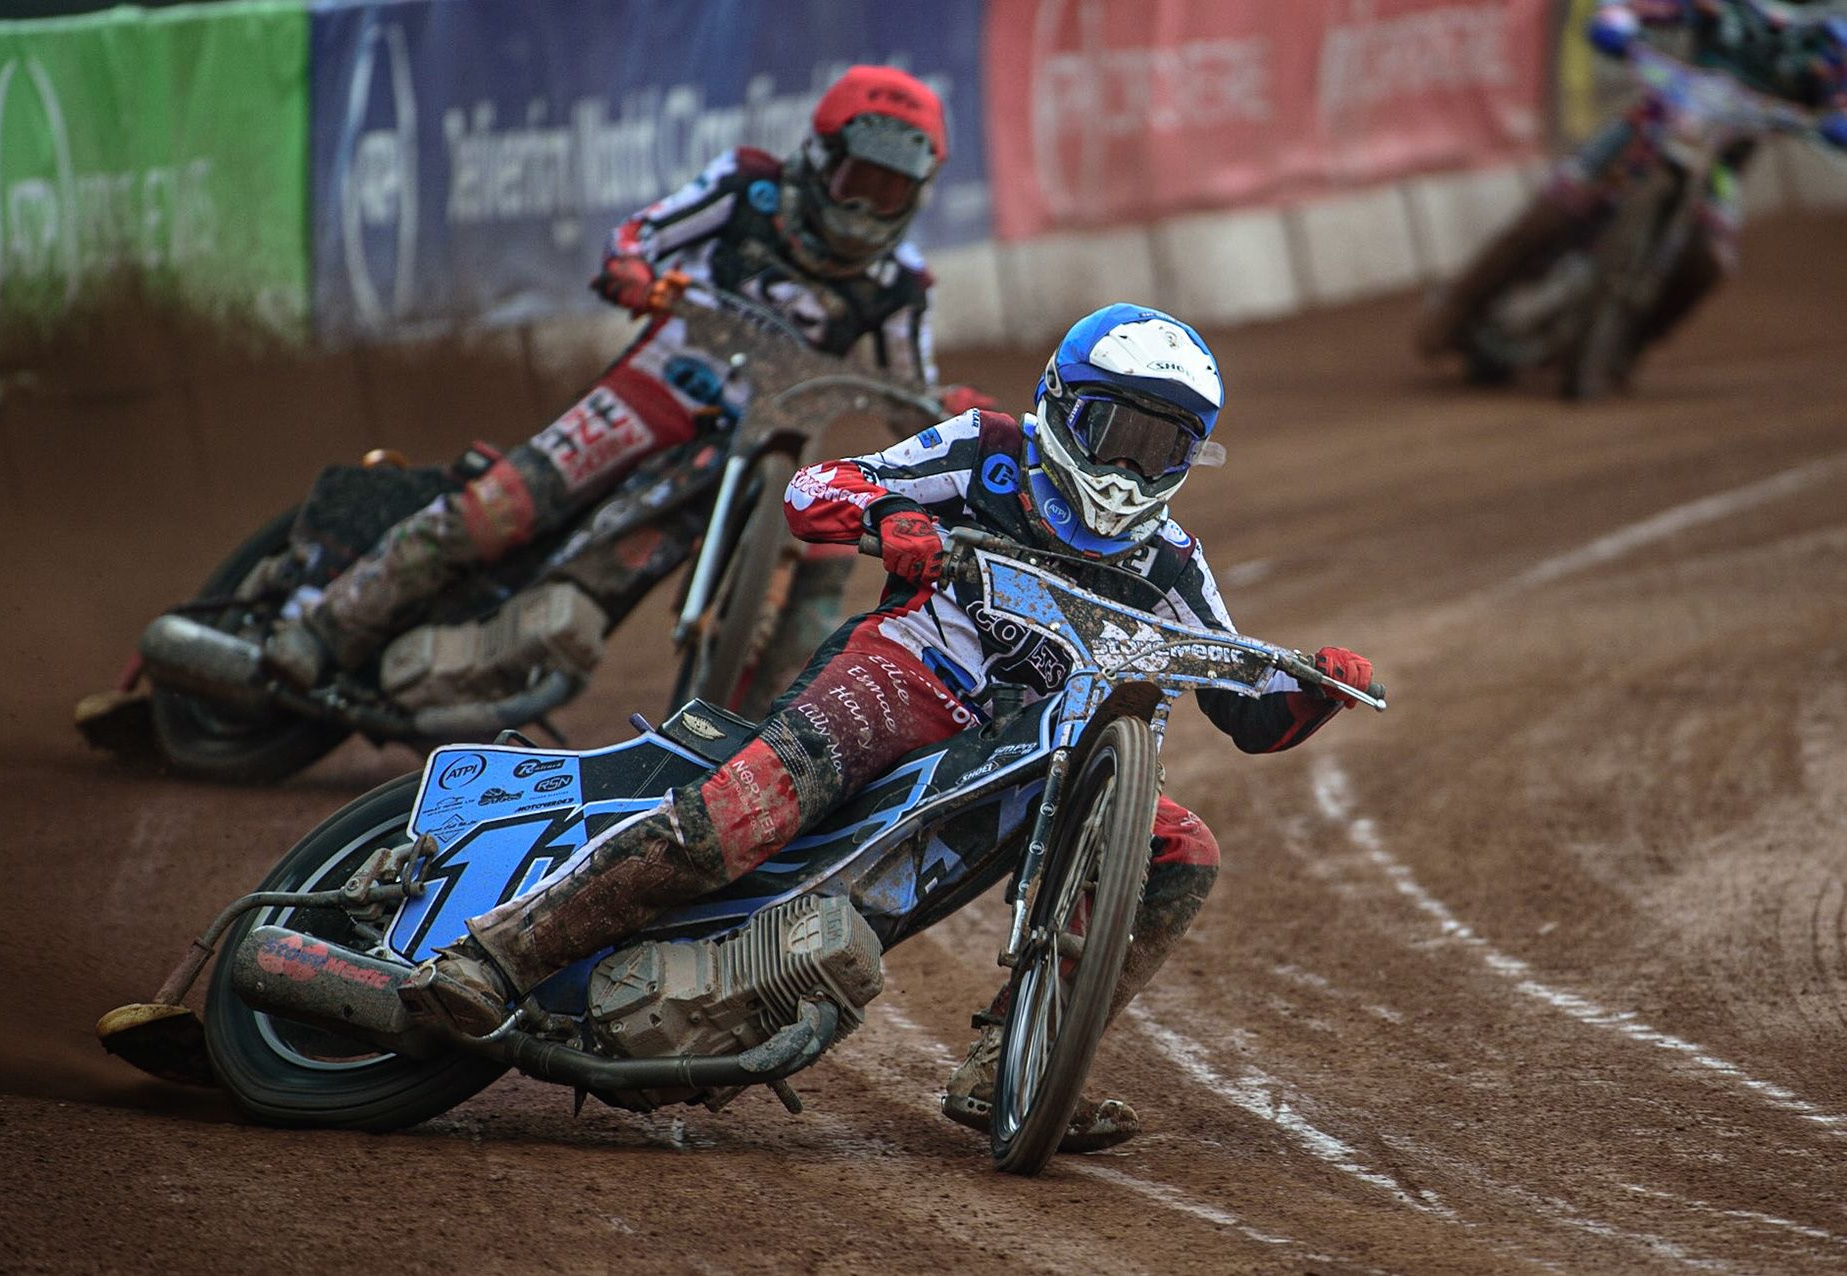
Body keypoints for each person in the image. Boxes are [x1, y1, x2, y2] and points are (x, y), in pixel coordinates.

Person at [398, 303, 1377, 1153]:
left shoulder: (1173, 563)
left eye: (1160, 447)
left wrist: (1317, 688)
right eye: (1114, 431)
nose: (1129, 465)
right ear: (1062, 406)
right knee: (747, 812)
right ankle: (498, 956)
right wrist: (888, 520)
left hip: (1037, 757)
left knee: (1182, 847)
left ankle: (1015, 1063)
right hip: (908, 676)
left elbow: (1248, 707)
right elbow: (818, 486)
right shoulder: (989, 449)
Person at [264, 64, 993, 690]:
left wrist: (949, 414)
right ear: (821, 156)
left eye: (889, 192)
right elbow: (641, 235)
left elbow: (911, 400)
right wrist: (633, 270)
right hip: (656, 390)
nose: (866, 208)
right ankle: (326, 625)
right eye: (858, 181)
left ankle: (768, 722)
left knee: (823, 552)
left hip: (761, 445)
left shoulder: (902, 285)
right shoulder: (748, 187)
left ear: (917, 196)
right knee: (502, 508)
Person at [1417, 0, 1847, 368]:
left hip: (1722, 159)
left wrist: (1836, 119)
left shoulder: (1831, 37)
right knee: (1557, 207)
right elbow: (1651, 5)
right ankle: (1457, 306)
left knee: (1708, 264)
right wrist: (1619, 20)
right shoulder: (1731, 6)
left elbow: (1840, 96)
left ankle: (1626, 348)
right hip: (1655, 122)